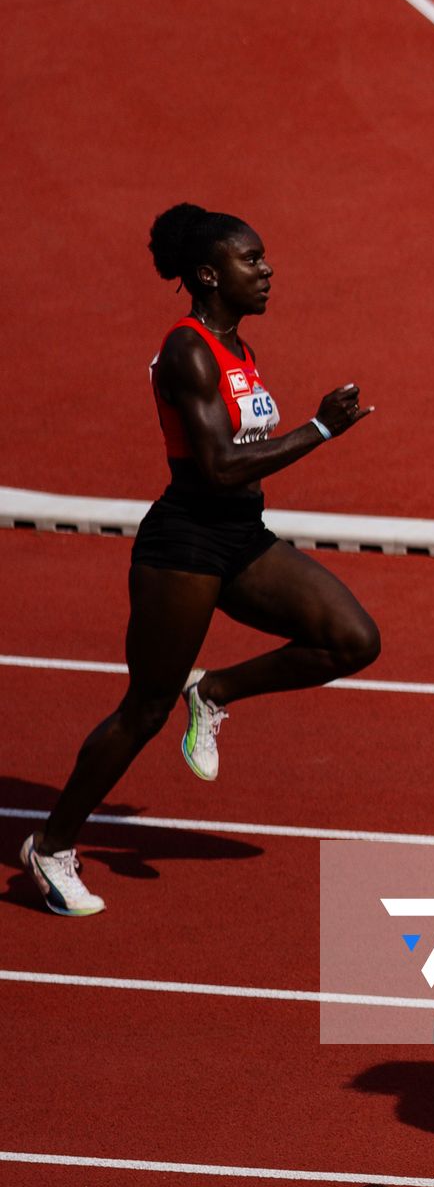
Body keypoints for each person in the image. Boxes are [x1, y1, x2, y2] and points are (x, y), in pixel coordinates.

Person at [21, 202, 380, 917]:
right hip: (185, 544)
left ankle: (213, 692)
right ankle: (52, 848)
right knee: (144, 708)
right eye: (252, 260)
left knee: (351, 639)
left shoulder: (238, 348)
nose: (267, 270)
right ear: (210, 274)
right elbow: (216, 468)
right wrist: (318, 428)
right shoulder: (189, 349)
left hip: (240, 536)